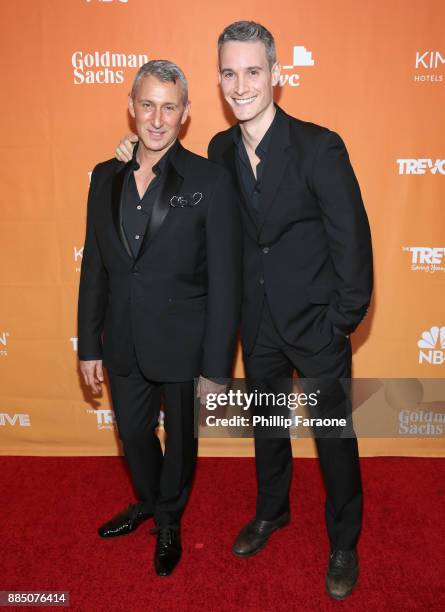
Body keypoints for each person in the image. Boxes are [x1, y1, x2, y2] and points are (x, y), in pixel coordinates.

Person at [115, 21, 373, 600]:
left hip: (315, 324)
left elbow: (352, 243)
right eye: (229, 72)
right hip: (254, 325)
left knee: (333, 437)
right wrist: (135, 154)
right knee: (268, 430)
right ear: (219, 79)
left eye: (253, 71)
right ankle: (271, 512)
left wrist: (339, 322)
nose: (240, 84)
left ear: (276, 75)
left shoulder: (318, 145)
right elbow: (189, 202)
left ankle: (343, 541)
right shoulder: (219, 150)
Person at [78, 60, 242, 577]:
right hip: (122, 338)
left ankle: (169, 520)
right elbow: (96, 267)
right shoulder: (105, 176)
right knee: (132, 431)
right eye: (147, 104)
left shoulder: (210, 180)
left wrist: (217, 368)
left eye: (169, 107)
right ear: (131, 108)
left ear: (185, 114)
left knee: (183, 442)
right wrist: (88, 344)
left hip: (187, 343)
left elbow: (225, 282)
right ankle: (150, 500)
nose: (156, 118)